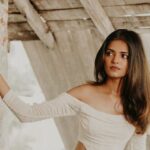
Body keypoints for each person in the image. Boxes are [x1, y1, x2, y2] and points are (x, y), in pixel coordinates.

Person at [0, 29, 149, 150]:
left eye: (124, 56)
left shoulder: (139, 104)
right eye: (109, 53)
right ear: (103, 57)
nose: (115, 60)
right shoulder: (85, 93)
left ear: (135, 61)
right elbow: (27, 114)